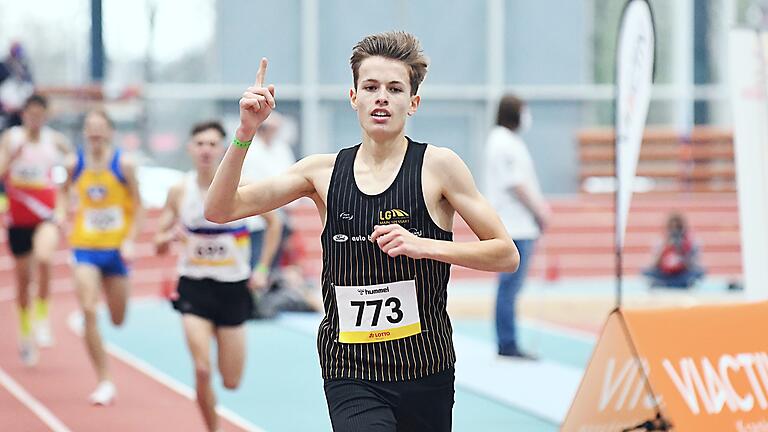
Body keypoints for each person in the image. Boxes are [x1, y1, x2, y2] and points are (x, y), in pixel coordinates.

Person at [205, 31, 520, 431]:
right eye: (370, 87)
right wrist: (246, 131)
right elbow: (219, 209)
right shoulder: (321, 172)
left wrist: (425, 246)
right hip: (350, 368)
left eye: (394, 88)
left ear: (413, 102)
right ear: (353, 97)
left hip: (426, 365)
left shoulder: (439, 167)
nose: (382, 97)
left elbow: (505, 253)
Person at [154, 120, 280, 431]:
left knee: (232, 380)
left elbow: (275, 223)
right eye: (200, 144)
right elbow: (157, 240)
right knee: (201, 369)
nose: (206, 150)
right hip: (194, 286)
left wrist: (262, 268)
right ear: (190, 149)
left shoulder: (243, 186)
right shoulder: (179, 190)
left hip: (233, 289)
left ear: (223, 148)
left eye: (213, 144)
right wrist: (169, 235)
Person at [60, 109, 143, 405]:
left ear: (109, 132)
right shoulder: (74, 163)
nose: (94, 133)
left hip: (117, 250)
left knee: (118, 319)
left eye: (100, 127)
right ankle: (105, 381)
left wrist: (131, 240)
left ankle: (110, 292)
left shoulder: (124, 164)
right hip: (84, 247)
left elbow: (138, 206)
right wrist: (61, 214)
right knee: (89, 310)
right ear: (84, 132)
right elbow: (62, 192)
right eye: (90, 127)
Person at [0, 94, 71, 366]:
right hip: (18, 219)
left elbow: (70, 176)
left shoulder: (55, 142)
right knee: (21, 281)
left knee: (44, 258)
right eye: (30, 114)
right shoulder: (11, 139)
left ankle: (42, 317)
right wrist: (11, 159)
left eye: (40, 115)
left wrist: (63, 210)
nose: (35, 119)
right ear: (24, 115)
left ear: (46, 115)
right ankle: (25, 331)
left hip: (46, 215)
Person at [484, 94, 550, 360]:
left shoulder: (509, 141)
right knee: (509, 287)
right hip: (513, 226)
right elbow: (516, 184)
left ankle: (507, 339)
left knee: (510, 287)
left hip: (520, 224)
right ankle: (507, 341)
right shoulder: (502, 142)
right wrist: (540, 211)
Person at [642, 213, 705, 288]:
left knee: (699, 271)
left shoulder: (691, 242)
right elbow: (654, 264)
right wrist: (665, 247)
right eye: (672, 227)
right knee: (646, 271)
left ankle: (679, 283)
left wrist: (681, 250)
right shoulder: (661, 241)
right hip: (665, 274)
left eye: (677, 227)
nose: (674, 230)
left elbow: (693, 265)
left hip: (682, 273)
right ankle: (665, 283)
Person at [0, 42, 35, 130]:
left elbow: (30, 86)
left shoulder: (25, 67)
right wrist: (4, 105)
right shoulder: (3, 66)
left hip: (21, 110)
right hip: (5, 111)